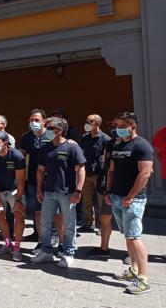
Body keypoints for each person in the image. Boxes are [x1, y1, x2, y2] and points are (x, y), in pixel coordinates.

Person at [105, 112, 154, 294]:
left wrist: (131, 196)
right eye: (116, 126)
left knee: (134, 237)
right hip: (117, 197)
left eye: (121, 126)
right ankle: (133, 269)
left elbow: (145, 173)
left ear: (132, 126)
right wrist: (109, 191)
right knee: (127, 236)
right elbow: (112, 170)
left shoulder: (142, 146)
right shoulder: (118, 144)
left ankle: (143, 279)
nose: (117, 129)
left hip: (133, 199)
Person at [32, 117, 86, 268]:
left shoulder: (72, 147)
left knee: (69, 225)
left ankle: (68, 253)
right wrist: (38, 189)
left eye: (50, 128)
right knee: (45, 223)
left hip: (67, 192)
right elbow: (40, 170)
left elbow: (81, 170)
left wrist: (78, 190)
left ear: (60, 130)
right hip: (49, 192)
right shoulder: (46, 148)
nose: (47, 131)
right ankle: (46, 252)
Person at [0, 131, 27, 261]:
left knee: (18, 215)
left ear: (5, 144)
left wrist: (19, 199)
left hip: (14, 190)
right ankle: (8, 243)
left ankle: (17, 247)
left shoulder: (17, 156)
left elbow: (20, 180)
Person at [19, 109, 54, 247]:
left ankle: (56, 239)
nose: (33, 123)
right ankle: (41, 241)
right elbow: (22, 157)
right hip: (32, 180)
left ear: (44, 121)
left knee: (55, 213)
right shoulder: (26, 138)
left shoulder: (52, 135)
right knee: (37, 211)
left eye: (37, 120)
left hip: (52, 180)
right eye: (31, 120)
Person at [79, 114, 111, 232]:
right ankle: (88, 223)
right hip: (86, 173)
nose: (86, 124)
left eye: (89, 122)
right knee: (86, 200)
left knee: (101, 201)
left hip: (100, 174)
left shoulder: (105, 139)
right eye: (86, 121)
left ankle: (103, 226)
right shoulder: (84, 137)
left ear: (97, 124)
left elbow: (108, 158)